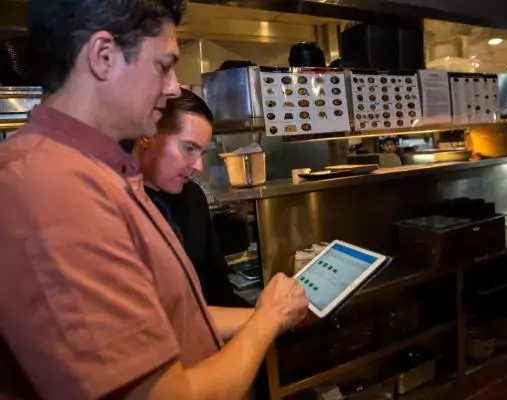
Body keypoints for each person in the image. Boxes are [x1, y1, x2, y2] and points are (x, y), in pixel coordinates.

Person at [0, 2, 308, 400]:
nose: (175, 87)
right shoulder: (51, 187)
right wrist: (268, 319)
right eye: (164, 65)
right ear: (104, 56)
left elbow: (177, 320)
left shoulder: (105, 171)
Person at [128, 88, 248, 308]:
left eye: (201, 153)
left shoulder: (192, 196)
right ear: (147, 135)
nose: (199, 166)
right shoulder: (117, 204)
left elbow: (218, 290)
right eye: (189, 148)